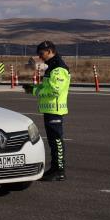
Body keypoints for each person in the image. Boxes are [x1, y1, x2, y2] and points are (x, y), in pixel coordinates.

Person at [24, 40, 70, 181]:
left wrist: (36, 91)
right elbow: (48, 88)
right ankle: (55, 168)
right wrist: (33, 89)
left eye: (41, 53)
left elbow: (55, 90)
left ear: (50, 51)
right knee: (52, 141)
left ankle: (59, 170)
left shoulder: (58, 68)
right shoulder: (52, 67)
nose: (40, 56)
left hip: (55, 110)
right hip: (50, 110)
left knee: (56, 141)